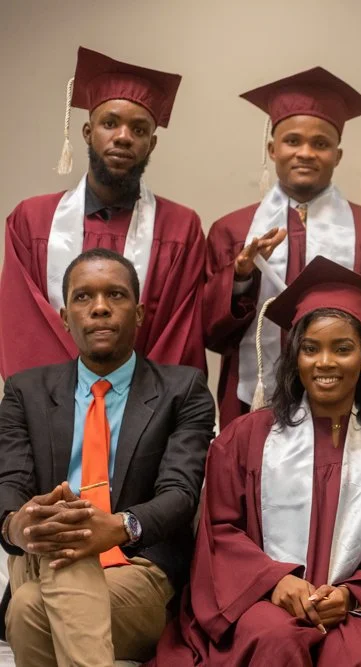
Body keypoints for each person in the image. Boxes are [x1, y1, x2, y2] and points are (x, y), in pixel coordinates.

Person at [150, 256, 361, 666]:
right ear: (296, 356)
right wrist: (275, 580)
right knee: (276, 639)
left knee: (359, 655)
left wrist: (351, 594)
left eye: (342, 349)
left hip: (348, 606)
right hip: (256, 600)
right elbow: (220, 530)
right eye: (310, 349)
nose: (324, 362)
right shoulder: (245, 437)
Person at [0, 249, 215, 665]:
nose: (99, 308)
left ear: (138, 313)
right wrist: (16, 526)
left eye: (115, 295)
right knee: (67, 544)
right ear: (64, 317)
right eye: (83, 298)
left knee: (27, 610)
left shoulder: (182, 390)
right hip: (41, 553)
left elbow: (180, 493)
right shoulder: (25, 392)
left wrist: (117, 527)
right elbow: (10, 483)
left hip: (137, 566)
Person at [203, 67, 361, 428]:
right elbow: (211, 334)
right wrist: (242, 275)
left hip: (351, 406)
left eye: (321, 144)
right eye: (293, 141)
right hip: (254, 401)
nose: (305, 153)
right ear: (272, 149)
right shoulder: (232, 230)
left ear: (338, 156)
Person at [0, 46, 207, 378]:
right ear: (87, 132)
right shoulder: (31, 220)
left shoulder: (181, 228)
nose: (123, 137)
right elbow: (22, 324)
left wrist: (141, 407)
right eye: (110, 123)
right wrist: (62, 403)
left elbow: (179, 334)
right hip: (53, 412)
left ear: (151, 144)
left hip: (147, 414)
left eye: (139, 130)